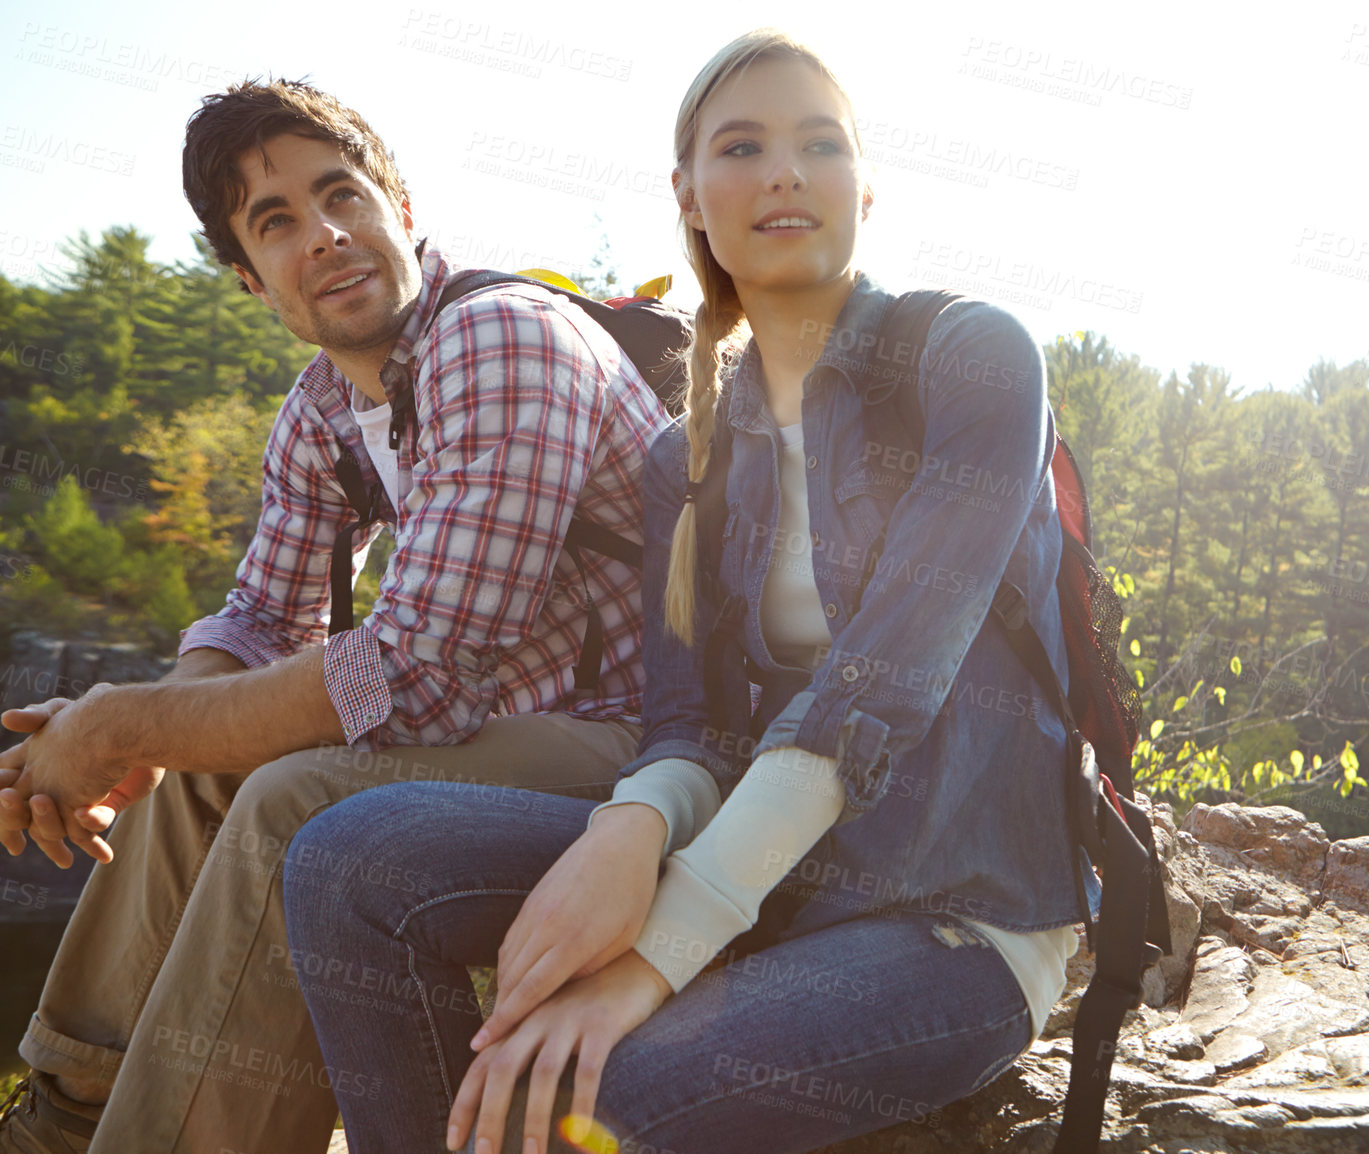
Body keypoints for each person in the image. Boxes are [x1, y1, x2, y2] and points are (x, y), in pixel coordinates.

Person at [283, 28, 1085, 1154]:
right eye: (742, 145)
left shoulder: (973, 361)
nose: (784, 172)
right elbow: (692, 723)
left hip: (951, 913)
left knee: (574, 1107)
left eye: (821, 143)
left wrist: (653, 955)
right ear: (690, 195)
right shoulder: (686, 458)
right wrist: (631, 821)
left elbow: (877, 691)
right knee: (345, 859)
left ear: (866, 184)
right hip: (768, 882)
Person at [0, 80, 669, 1154]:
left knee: (292, 802)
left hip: (655, 747)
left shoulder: (503, 339)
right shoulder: (323, 407)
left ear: (400, 208)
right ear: (250, 280)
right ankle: (66, 1116)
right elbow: (264, 614)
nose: (324, 237)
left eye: (342, 195)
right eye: (277, 225)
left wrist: (122, 724)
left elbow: (418, 672)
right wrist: (132, 737)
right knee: (201, 768)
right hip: (520, 735)